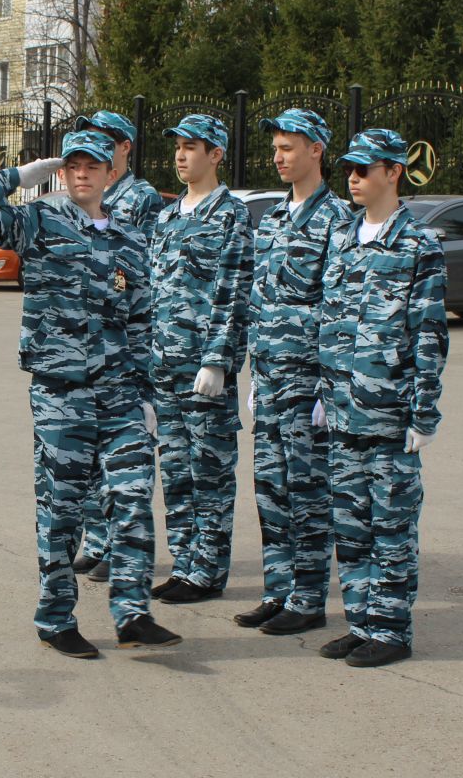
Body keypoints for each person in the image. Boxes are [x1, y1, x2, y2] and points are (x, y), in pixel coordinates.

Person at [0, 130, 180, 658]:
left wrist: (147, 398)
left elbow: (142, 322)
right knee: (63, 507)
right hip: (62, 393)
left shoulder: (130, 239)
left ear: (109, 173)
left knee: (134, 495)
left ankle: (132, 612)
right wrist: (23, 176)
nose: (81, 174)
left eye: (91, 165)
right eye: (71, 165)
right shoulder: (38, 223)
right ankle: (55, 616)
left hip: (120, 394)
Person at [314, 128, 447, 666]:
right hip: (343, 411)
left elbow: (429, 335)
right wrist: (325, 392)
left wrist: (423, 412)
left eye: (365, 170)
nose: (354, 178)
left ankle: (391, 630)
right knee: (350, 523)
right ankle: (362, 620)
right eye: (350, 168)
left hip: (390, 413)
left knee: (390, 526)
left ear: (394, 172)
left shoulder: (419, 246)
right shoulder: (344, 238)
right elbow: (330, 320)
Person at [236, 108, 352, 636]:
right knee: (270, 489)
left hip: (310, 383)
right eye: (276, 148)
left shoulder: (338, 222)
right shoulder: (275, 217)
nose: (279, 157)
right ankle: (278, 589)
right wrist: (256, 376)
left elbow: (340, 310)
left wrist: (330, 387)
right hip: (272, 377)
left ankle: (308, 598)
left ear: (316, 151)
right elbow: (259, 300)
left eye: (289, 148)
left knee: (307, 490)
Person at [148, 113, 251, 605]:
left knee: (209, 471)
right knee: (176, 473)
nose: (181, 155)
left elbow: (233, 293)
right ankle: (184, 562)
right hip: (162, 367)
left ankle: (208, 571)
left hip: (202, 370)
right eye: (178, 146)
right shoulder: (166, 218)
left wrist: (218, 360)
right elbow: (149, 293)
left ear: (216, 155)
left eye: (192, 147)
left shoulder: (230, 215)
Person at [69, 110, 163, 585]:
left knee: (125, 460)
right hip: (83, 343)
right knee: (86, 461)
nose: (93, 148)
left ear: (124, 147)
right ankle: (98, 540)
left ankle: (120, 545)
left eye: (104, 140)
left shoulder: (140, 197)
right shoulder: (79, 193)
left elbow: (136, 268)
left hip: (120, 337)